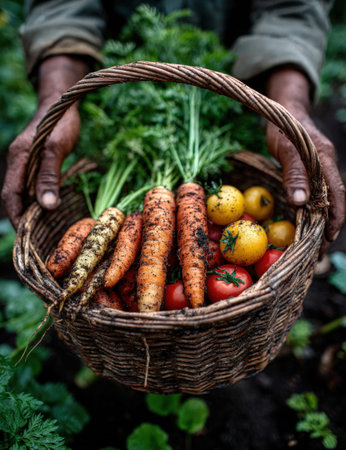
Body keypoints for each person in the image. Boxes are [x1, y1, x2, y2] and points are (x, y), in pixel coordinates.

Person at [2, 0, 345, 255]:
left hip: (239, 95)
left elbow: (293, 9)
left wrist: (288, 107)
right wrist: (57, 99)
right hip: (117, 95)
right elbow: (61, 6)